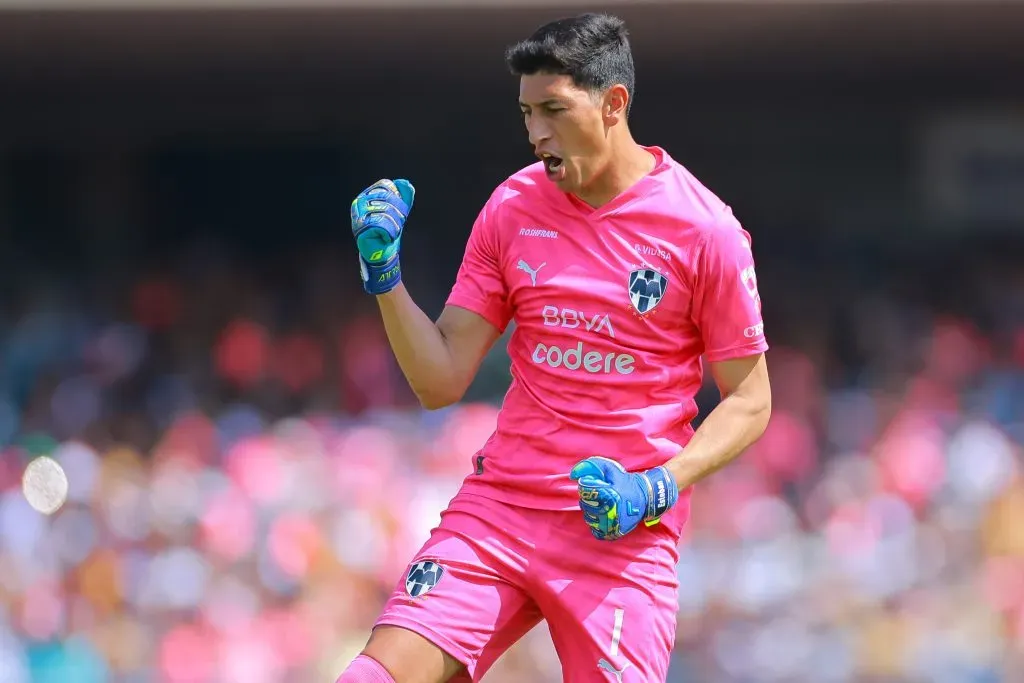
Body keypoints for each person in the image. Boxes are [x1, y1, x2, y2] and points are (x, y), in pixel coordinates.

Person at [338, 12, 772, 683]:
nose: (536, 133)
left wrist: (658, 485)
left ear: (613, 104)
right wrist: (385, 278)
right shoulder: (513, 207)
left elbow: (751, 399)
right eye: (526, 114)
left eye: (554, 110)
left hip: (621, 529)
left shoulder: (704, 229)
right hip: (502, 508)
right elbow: (439, 380)